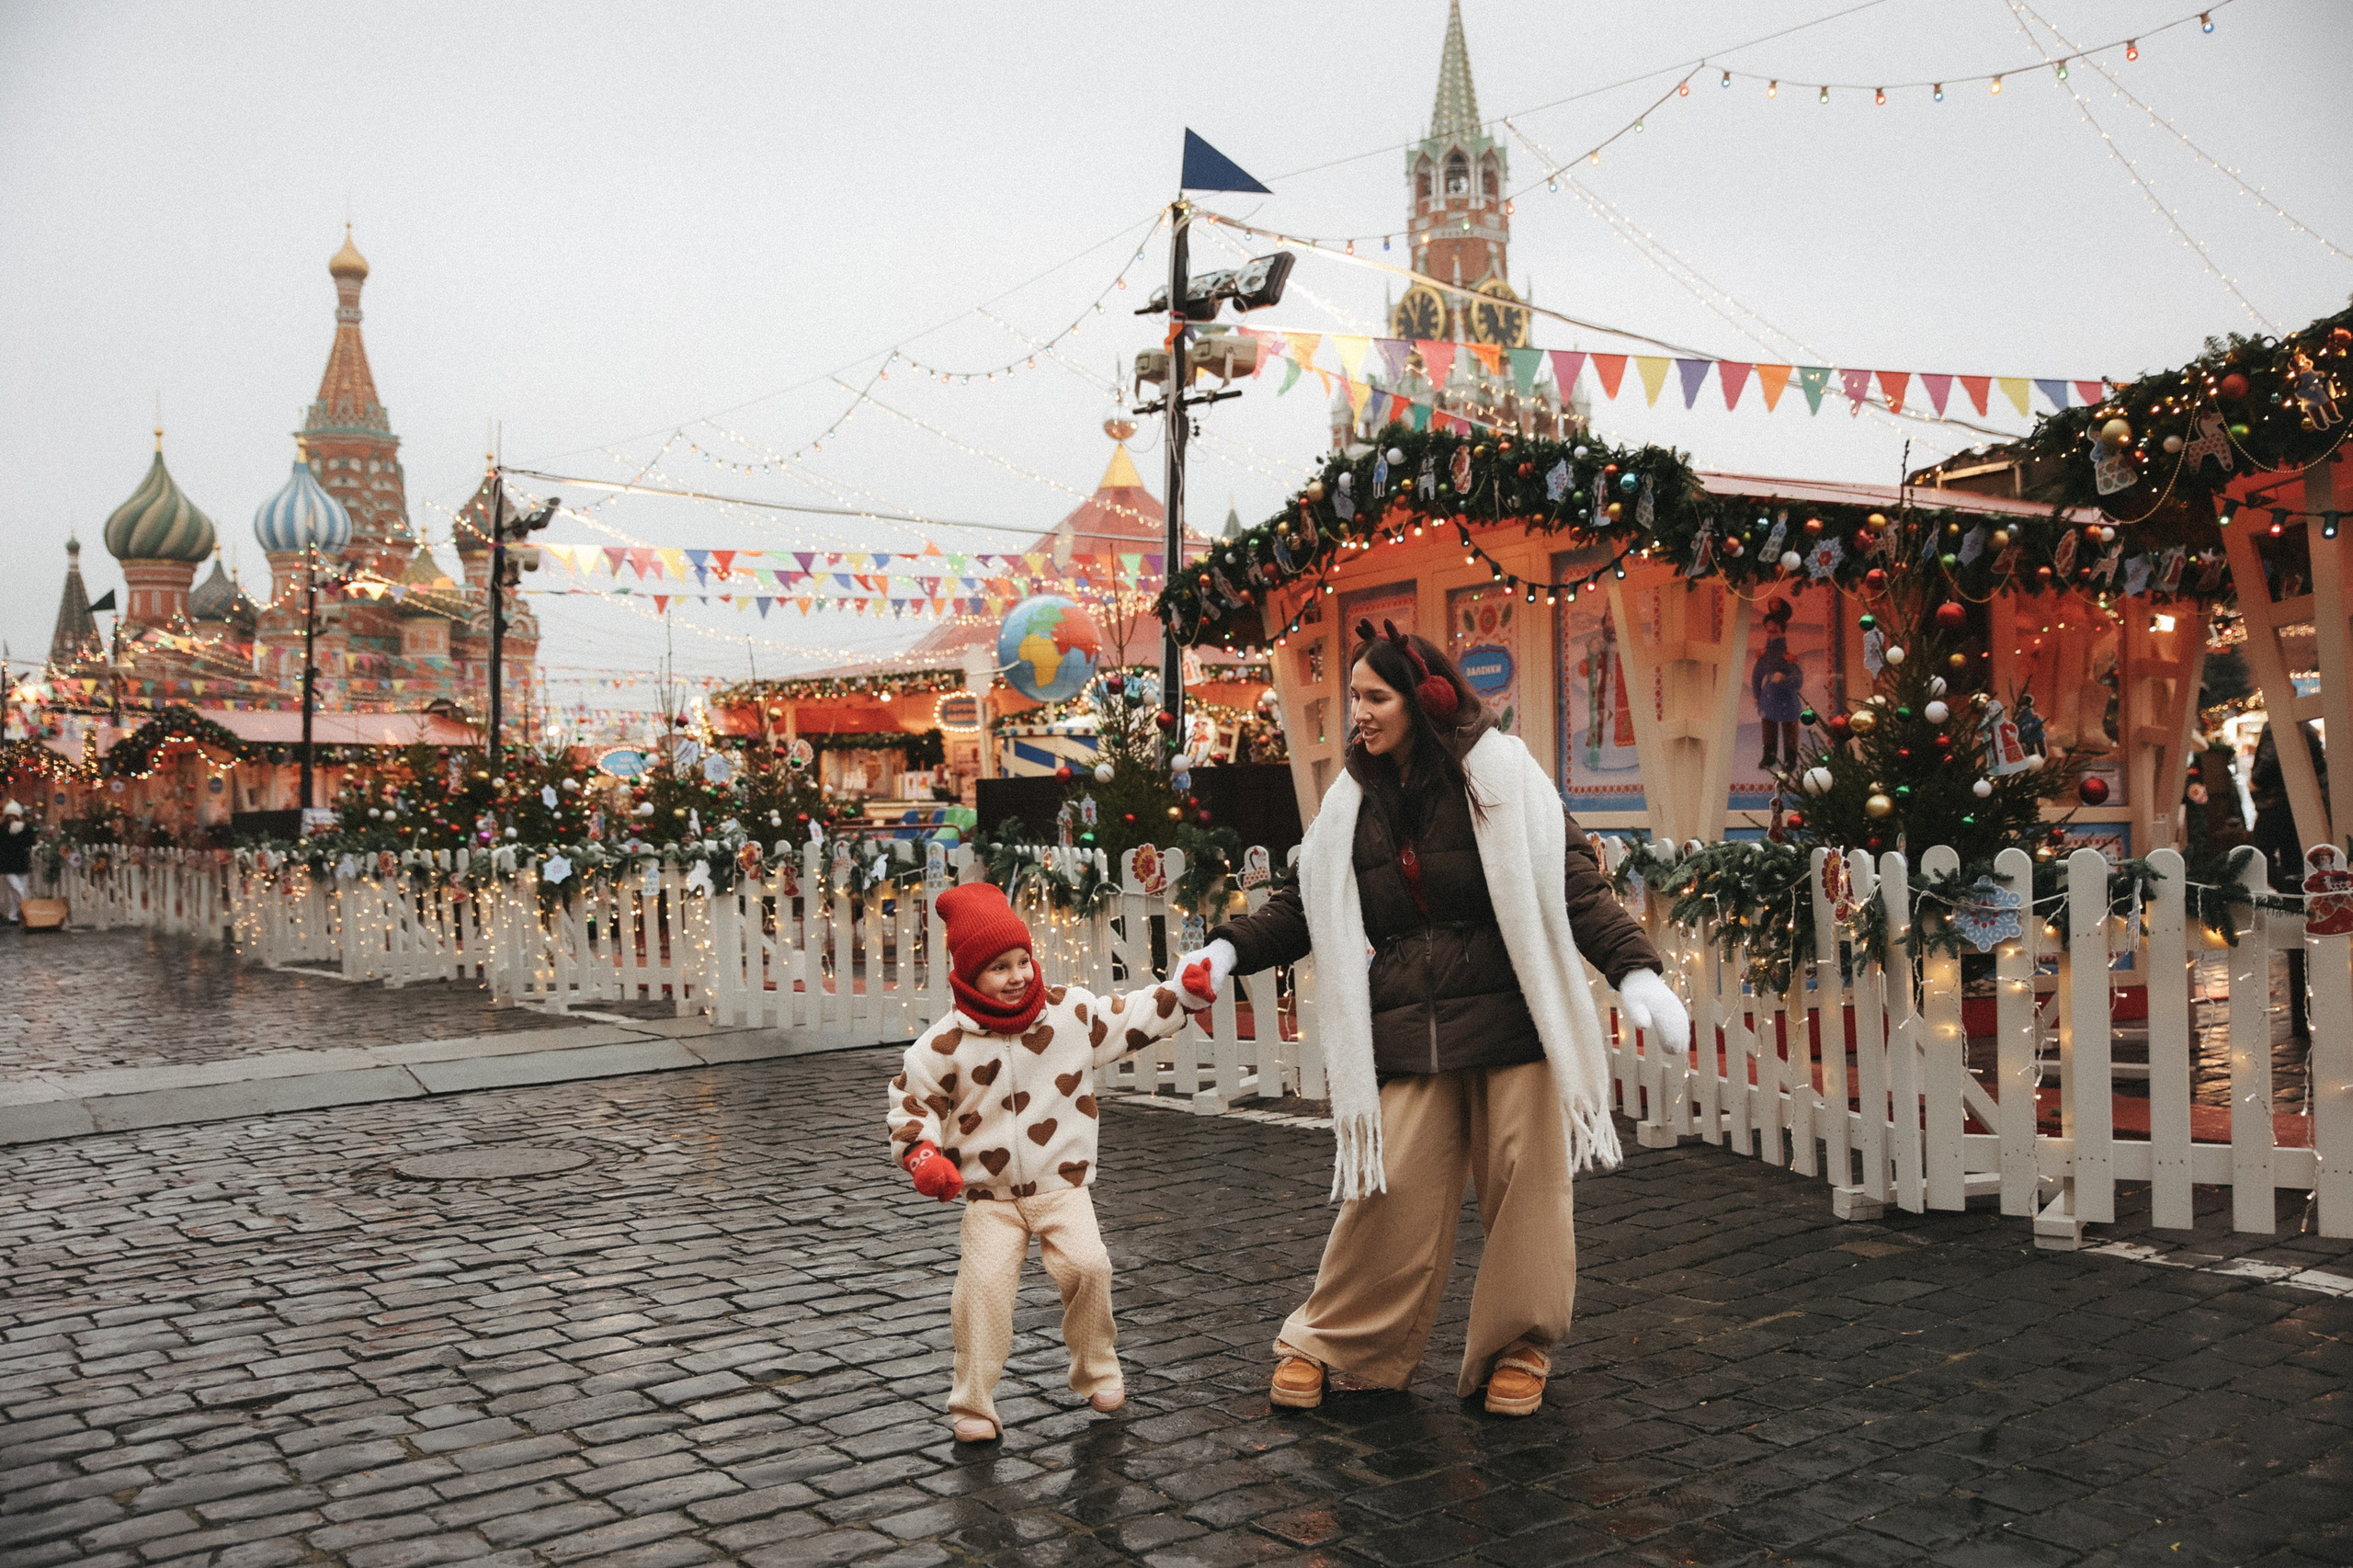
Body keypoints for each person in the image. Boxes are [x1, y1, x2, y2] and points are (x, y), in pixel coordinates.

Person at [1176, 620, 1688, 1417]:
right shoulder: (1353, 800)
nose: (1359, 714)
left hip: (1511, 1017)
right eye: (1353, 697)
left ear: (1425, 698)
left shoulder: (1502, 776)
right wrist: (1230, 952)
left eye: (1374, 697)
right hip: (1410, 1021)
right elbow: (1303, 902)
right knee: (1390, 1189)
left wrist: (1636, 970)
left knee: (1527, 1186)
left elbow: (1573, 884)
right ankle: (1334, 1340)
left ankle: (1519, 1346)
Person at [886, 880, 1209, 1444]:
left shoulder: (1070, 1015)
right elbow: (914, 1107)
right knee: (981, 1294)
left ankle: (1097, 1370)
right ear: (967, 976)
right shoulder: (940, 1047)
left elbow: (1130, 1015)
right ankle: (973, 1405)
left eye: (1023, 961)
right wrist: (923, 1156)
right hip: (990, 1198)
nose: (1017, 976)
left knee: (1090, 1268)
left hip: (1063, 1185)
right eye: (999, 968)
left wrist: (1181, 993)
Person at [1751, 597, 1805, 770]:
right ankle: (1769, 755)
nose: (1771, 634)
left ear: (1782, 631)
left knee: (1789, 728)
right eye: (1769, 631)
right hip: (1769, 699)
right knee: (1769, 727)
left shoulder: (1788, 657)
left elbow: (1798, 680)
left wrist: (1785, 680)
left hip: (1787, 700)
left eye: (1775, 631)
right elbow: (1757, 675)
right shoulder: (1765, 655)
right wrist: (1757, 695)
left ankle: (1790, 759)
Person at [0, 801, 31, 923]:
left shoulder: (24, 828)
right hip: (8, 865)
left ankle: (13, 916)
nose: (11, 818)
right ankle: (27, 911)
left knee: (17, 892)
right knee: (19, 889)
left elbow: (30, 841)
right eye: (9, 816)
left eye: (14, 816)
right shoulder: (3, 829)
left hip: (21, 863)